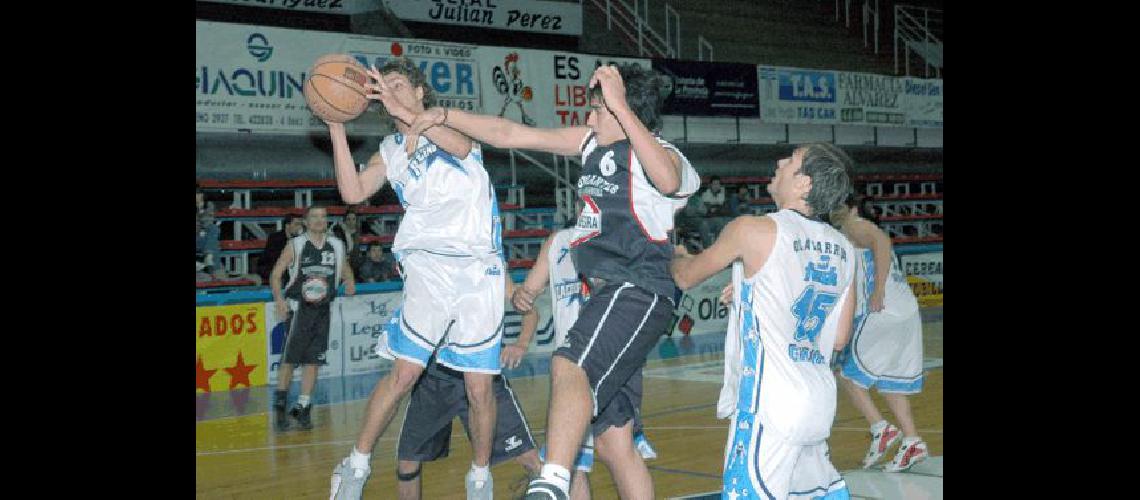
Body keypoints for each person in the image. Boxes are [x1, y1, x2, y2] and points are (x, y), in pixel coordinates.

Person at [403, 63, 700, 500]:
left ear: (622, 111)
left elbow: (669, 179)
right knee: (614, 442)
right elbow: (509, 134)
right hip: (609, 297)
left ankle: (552, 483)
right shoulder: (589, 143)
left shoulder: (664, 154)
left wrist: (618, 104)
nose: (590, 117)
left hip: (637, 287)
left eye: (598, 109)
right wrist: (443, 115)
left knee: (569, 364)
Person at [325, 57, 504, 500]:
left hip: (480, 268)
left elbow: (461, 149)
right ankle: (356, 464)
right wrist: (335, 126)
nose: (393, 91)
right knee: (404, 373)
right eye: (385, 87)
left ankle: (480, 476)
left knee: (479, 388)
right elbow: (352, 193)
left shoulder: (451, 128)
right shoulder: (388, 150)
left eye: (400, 84)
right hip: (428, 266)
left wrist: (408, 114)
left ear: (421, 91)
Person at [671, 143, 857, 500]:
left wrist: (674, 256)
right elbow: (838, 337)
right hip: (818, 400)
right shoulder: (843, 247)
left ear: (804, 184)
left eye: (791, 161)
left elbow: (686, 277)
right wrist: (747, 290)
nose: (780, 162)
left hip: (772, 403)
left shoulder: (752, 230)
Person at [514, 229, 661, 500]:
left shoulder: (615, 236)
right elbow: (528, 291)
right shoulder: (558, 241)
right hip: (570, 363)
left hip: (605, 356)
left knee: (617, 447)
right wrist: (522, 298)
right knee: (569, 458)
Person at [394, 273, 541, 500]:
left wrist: (521, 343)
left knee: (530, 460)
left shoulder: (489, 261)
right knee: (407, 461)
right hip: (434, 378)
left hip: (482, 376)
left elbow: (529, 310)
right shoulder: (432, 258)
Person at [829, 194, 928, 472]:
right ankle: (912, 441)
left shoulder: (855, 225)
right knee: (890, 382)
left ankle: (880, 428)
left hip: (881, 310)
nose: (835, 210)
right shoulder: (847, 232)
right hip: (905, 310)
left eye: (840, 206)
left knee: (847, 374)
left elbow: (882, 242)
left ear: (853, 208)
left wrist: (878, 289)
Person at [269, 206, 356, 431]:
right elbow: (276, 274)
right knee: (290, 359)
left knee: (314, 361)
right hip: (298, 308)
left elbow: (345, 269)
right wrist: (279, 299)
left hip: (323, 309)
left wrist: (350, 282)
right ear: (306, 222)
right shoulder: (296, 245)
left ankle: (304, 406)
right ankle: (280, 407)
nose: (319, 220)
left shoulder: (336, 245)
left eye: (323, 217)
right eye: (314, 217)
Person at [258, 214, 304, 284]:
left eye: (301, 225)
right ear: (287, 225)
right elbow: (272, 260)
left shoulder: (301, 240)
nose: (299, 228)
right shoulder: (275, 239)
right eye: (297, 224)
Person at [698, 176, 730, 245]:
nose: (716, 186)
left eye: (718, 184)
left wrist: (716, 208)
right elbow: (708, 211)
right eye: (714, 184)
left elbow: (725, 210)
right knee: (719, 222)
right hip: (708, 220)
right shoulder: (705, 195)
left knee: (728, 221)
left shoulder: (722, 195)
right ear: (710, 185)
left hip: (721, 218)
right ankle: (714, 247)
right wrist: (718, 207)